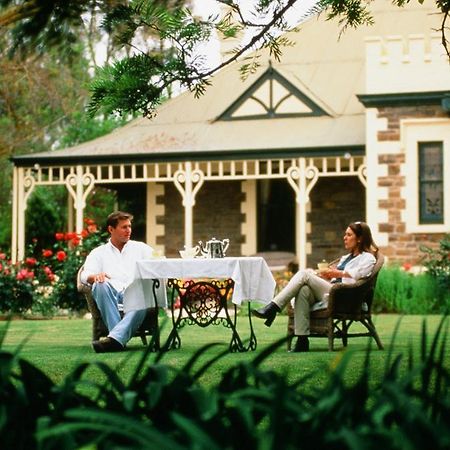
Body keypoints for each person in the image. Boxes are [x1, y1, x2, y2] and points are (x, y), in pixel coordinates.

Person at [252, 221, 378, 352]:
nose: (344, 237)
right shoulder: (345, 257)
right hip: (331, 290)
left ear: (360, 239)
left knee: (304, 274)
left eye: (349, 235)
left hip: (344, 295)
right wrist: (326, 275)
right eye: (345, 234)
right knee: (303, 290)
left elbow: (360, 274)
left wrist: (337, 273)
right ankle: (302, 341)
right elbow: (336, 277)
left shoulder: (368, 258)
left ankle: (273, 307)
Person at [80, 211, 156, 353]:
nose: (128, 231)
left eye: (129, 226)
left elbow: (158, 262)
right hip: (112, 295)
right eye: (124, 227)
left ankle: (114, 340)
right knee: (100, 284)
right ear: (111, 229)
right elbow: (84, 275)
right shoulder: (98, 252)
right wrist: (95, 276)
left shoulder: (141, 249)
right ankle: (118, 339)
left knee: (143, 293)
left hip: (135, 295)